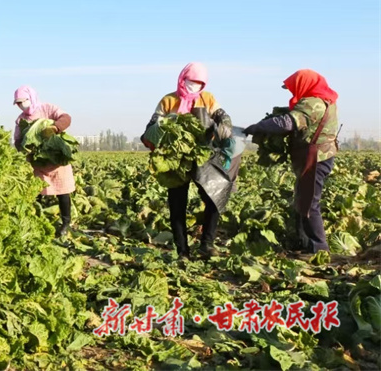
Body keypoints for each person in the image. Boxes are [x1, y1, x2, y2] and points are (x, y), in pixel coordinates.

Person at [141, 62, 236, 259]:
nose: (194, 85)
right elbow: (151, 127)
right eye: (191, 81)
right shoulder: (168, 100)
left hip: (203, 157)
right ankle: (182, 250)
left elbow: (223, 117)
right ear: (182, 79)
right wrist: (164, 125)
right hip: (175, 160)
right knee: (177, 205)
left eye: (199, 83)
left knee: (215, 198)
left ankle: (207, 244)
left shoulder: (207, 98)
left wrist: (224, 130)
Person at [243, 69, 339, 254]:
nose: (292, 92)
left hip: (316, 159)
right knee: (304, 200)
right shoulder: (323, 99)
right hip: (316, 157)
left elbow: (287, 123)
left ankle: (319, 249)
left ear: (304, 84)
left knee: (309, 203)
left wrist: (258, 127)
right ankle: (306, 243)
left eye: (293, 87)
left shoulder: (314, 103)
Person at [12, 85, 76, 237]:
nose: (21, 105)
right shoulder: (21, 119)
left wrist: (55, 128)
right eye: (18, 103)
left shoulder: (47, 108)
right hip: (38, 161)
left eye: (23, 101)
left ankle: (66, 224)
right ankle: (35, 222)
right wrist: (25, 148)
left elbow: (66, 118)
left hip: (57, 158)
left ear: (31, 98)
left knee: (63, 192)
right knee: (36, 192)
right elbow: (18, 140)